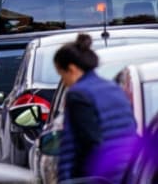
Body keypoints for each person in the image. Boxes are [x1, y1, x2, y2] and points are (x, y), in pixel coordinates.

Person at [55, 33, 138, 184]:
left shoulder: (78, 94)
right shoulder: (114, 88)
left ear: (72, 69)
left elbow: (86, 142)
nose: (64, 82)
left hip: (98, 175)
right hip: (127, 171)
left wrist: (68, 177)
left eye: (62, 74)